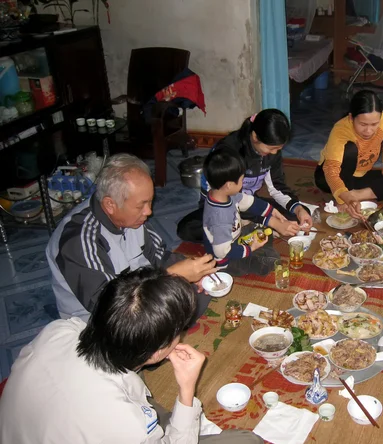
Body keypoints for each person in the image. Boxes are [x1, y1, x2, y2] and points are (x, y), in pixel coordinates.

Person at [0, 267, 268, 444]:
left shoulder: (59, 330)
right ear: (156, 352)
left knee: (158, 415)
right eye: (178, 332)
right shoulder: (126, 427)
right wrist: (187, 391)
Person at [46, 154, 217, 323]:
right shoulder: (80, 240)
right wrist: (171, 276)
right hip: (103, 319)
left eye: (150, 202)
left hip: (138, 290)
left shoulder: (133, 219)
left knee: (195, 293)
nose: (148, 211)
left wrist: (194, 271)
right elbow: (109, 307)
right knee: (165, 317)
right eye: (140, 205)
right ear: (110, 205)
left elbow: (160, 256)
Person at [177, 109, 312, 242]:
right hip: (222, 206)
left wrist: (298, 208)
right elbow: (230, 199)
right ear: (255, 137)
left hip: (250, 201)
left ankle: (249, 225)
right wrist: (272, 221)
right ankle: (249, 226)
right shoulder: (228, 153)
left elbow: (277, 186)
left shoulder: (272, 152)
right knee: (188, 229)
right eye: (271, 149)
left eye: (278, 149)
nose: (275, 153)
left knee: (297, 216)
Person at [315, 90, 383, 219]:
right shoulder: (341, 130)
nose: (368, 131)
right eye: (363, 124)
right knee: (351, 149)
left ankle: (355, 194)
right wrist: (344, 199)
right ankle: (344, 195)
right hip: (329, 176)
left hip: (359, 176)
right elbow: (331, 170)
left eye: (374, 124)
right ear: (351, 118)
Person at [203, 146, 294, 275]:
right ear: (229, 185)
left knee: (263, 229)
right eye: (241, 180)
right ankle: (258, 252)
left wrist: (271, 211)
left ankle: (259, 247)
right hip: (226, 260)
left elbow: (247, 201)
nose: (243, 183)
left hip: (234, 237)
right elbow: (222, 252)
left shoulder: (222, 193)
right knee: (271, 260)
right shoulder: (220, 219)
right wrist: (250, 248)